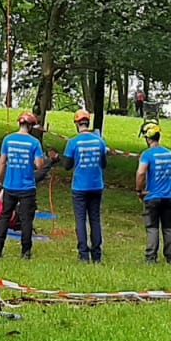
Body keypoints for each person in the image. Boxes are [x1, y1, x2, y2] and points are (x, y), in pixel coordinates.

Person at [0, 112, 49, 259]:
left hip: (10, 186)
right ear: (30, 126)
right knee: (26, 220)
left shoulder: (8, 140)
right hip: (27, 188)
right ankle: (25, 251)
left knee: (4, 217)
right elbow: (39, 164)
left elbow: (2, 162)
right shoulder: (34, 143)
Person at [63, 109, 109, 262]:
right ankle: (97, 254)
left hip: (79, 187)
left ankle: (83, 254)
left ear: (77, 123)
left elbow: (67, 166)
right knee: (95, 219)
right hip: (97, 186)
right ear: (88, 122)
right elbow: (104, 163)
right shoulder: (100, 141)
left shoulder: (73, 142)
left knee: (80, 220)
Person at [136, 120, 171, 264]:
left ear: (148, 138)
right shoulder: (169, 154)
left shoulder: (147, 155)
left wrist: (139, 190)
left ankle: (151, 257)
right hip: (168, 197)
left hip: (152, 196)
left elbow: (141, 173)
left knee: (152, 227)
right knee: (168, 227)